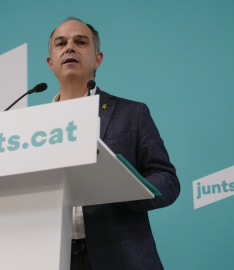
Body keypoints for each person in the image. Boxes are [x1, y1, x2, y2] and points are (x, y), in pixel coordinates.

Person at [46, 18, 180, 269]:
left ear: (98, 59)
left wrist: (130, 188)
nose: (70, 47)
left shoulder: (132, 113)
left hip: (121, 258)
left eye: (81, 42)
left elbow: (167, 179)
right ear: (51, 62)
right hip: (53, 257)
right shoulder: (33, 127)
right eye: (61, 43)